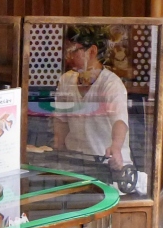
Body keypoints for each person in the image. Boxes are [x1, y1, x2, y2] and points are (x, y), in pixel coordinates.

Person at [52, 25, 131, 175]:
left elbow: (119, 121)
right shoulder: (66, 80)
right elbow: (61, 120)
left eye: (73, 51)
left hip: (107, 167)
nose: (68, 57)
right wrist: (58, 149)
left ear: (92, 51)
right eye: (66, 51)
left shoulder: (110, 83)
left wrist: (116, 147)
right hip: (75, 166)